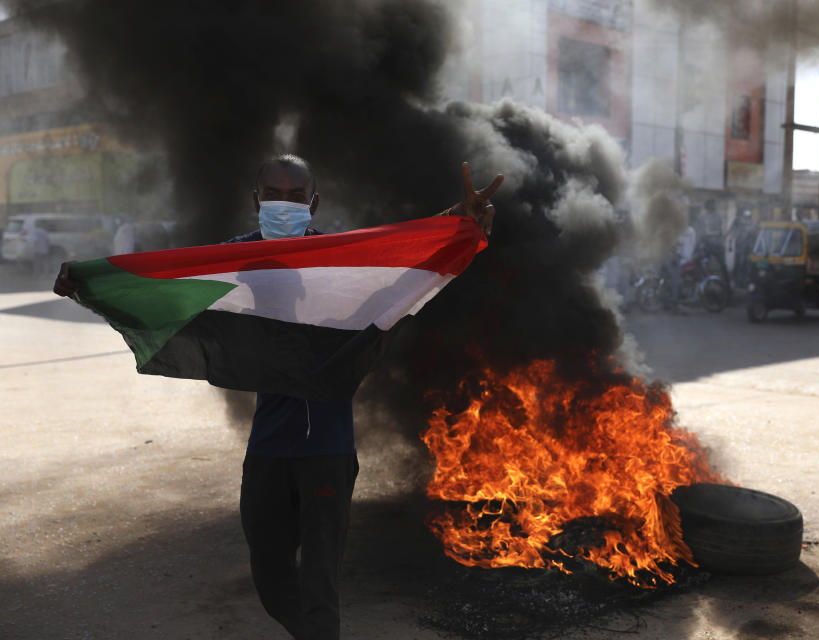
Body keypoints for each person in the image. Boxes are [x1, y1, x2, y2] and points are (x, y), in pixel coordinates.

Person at [53, 154, 504, 639]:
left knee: (319, 581)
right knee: (270, 578)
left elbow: (400, 253)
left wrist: (457, 221)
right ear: (256, 199)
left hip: (327, 450)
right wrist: (92, 280)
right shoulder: (237, 261)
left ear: (314, 203)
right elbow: (170, 280)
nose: (284, 204)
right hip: (268, 448)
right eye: (275, 194)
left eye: (295, 196)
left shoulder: (340, 261)